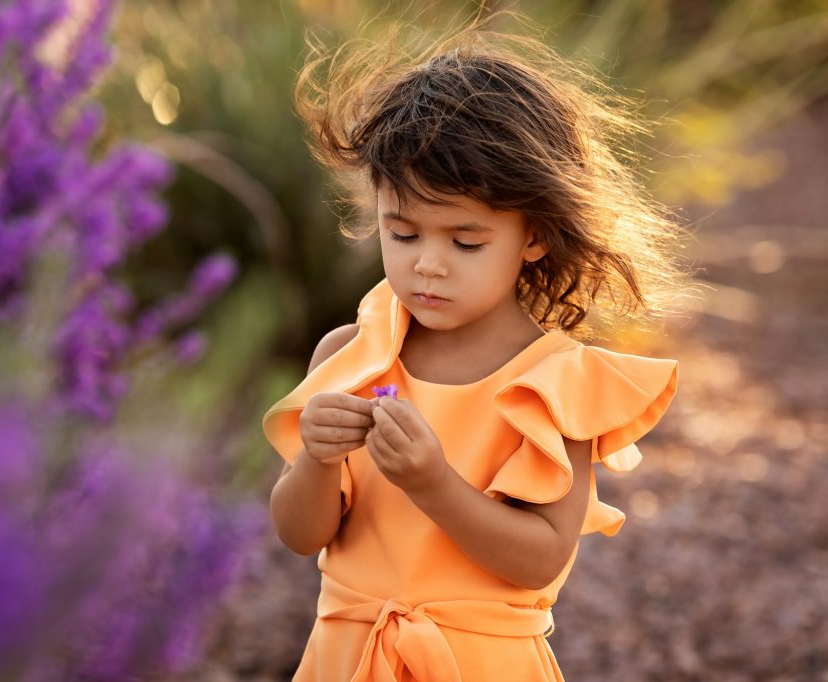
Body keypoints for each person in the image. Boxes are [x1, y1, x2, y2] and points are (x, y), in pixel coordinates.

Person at [263, 9, 693, 681]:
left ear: (535, 235)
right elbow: (299, 535)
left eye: (464, 242)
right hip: (349, 659)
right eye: (402, 234)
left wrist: (432, 482)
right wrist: (316, 460)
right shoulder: (349, 355)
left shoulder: (554, 384)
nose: (427, 264)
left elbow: (539, 558)